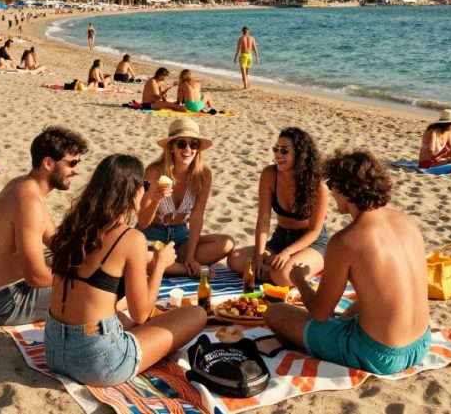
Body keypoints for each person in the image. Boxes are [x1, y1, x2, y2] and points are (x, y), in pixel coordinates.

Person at [45, 153, 207, 386]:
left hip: (52, 348)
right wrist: (160, 265)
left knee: (119, 310)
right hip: (96, 361)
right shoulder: (130, 238)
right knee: (196, 314)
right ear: (134, 190)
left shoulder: (72, 225)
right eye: (145, 185)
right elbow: (142, 313)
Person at [264, 150, 431, 375]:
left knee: (276, 313)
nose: (330, 191)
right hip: (421, 344)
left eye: (332, 184)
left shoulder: (346, 240)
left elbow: (319, 313)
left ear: (346, 190)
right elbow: (383, 290)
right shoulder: (407, 222)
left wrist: (300, 280)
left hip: (378, 354)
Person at [0, 127, 89, 325]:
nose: (77, 170)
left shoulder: (24, 185)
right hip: (6, 303)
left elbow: (55, 241)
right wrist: (86, 278)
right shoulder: (29, 201)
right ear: (48, 162)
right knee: (95, 293)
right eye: (72, 163)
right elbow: (36, 276)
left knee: (83, 264)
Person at [228, 127, 330, 287]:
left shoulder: (318, 186)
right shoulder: (269, 175)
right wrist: (260, 255)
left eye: (284, 151)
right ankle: (280, 269)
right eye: (276, 149)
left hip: (311, 242)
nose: (278, 155)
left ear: (300, 153)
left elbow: (314, 231)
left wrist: (287, 253)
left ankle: (297, 267)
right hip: (281, 238)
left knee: (281, 275)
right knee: (235, 260)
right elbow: (263, 220)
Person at [137, 119, 234, 277]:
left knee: (226, 243)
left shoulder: (204, 175)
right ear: (171, 147)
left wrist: (190, 255)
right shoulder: (153, 172)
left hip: (181, 238)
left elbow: (196, 217)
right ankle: (183, 269)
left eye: (193, 144)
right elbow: (142, 221)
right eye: (182, 144)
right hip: (152, 237)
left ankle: (172, 265)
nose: (188, 149)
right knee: (142, 258)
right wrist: (156, 200)